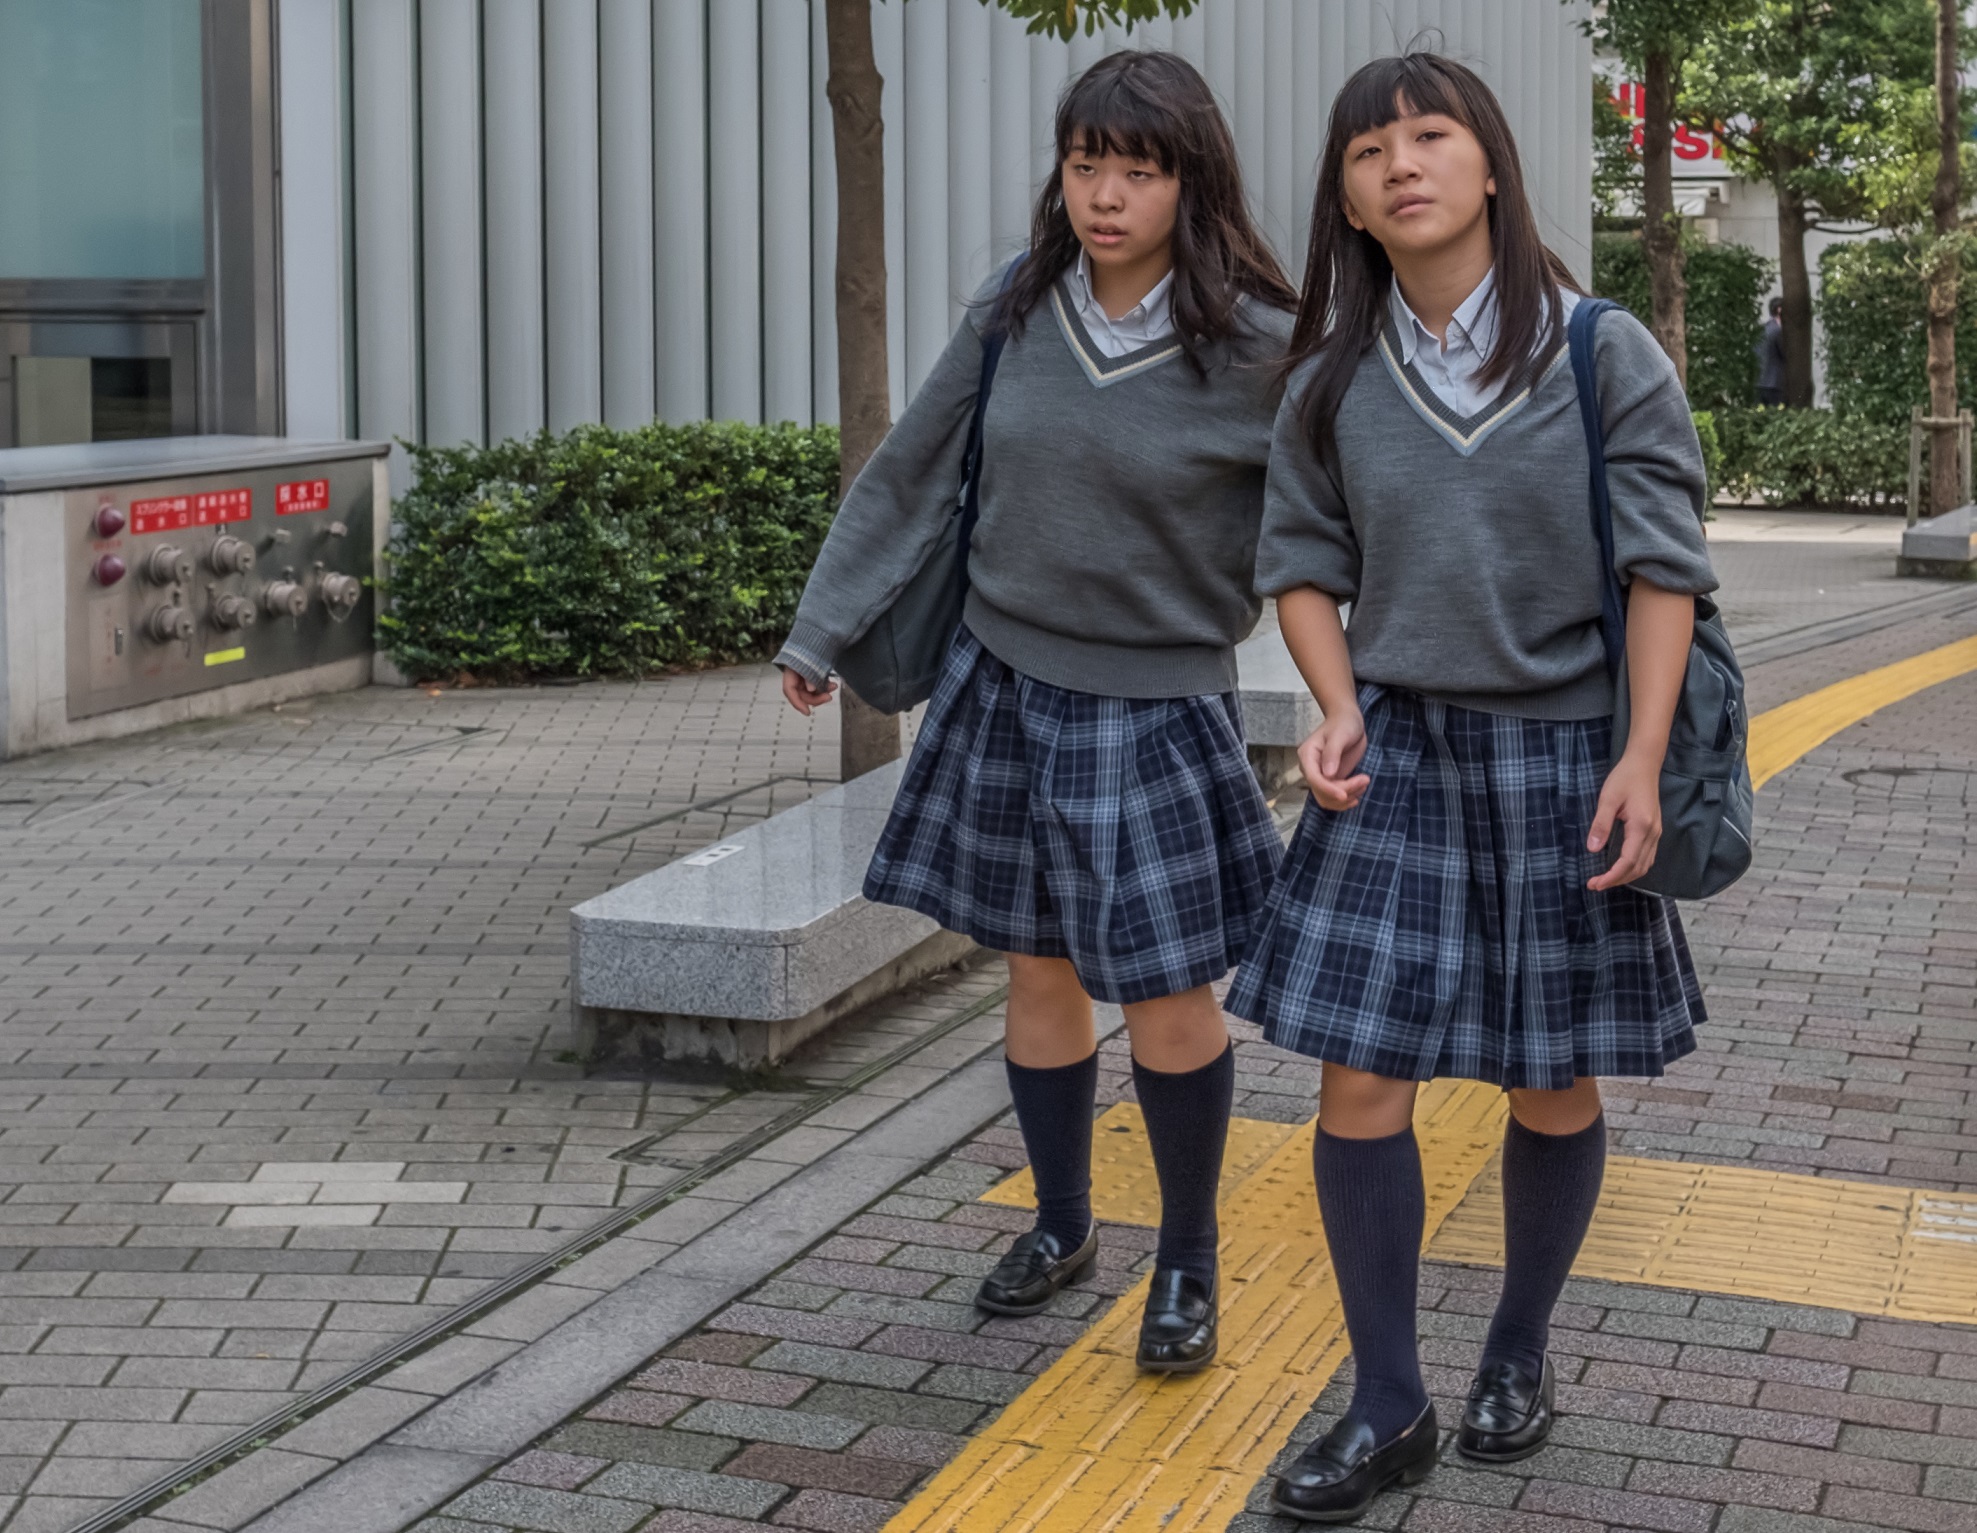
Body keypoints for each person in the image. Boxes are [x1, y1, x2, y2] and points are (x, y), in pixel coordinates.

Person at [1225, 51, 1716, 1522]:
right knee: (1357, 1078)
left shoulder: (1596, 349)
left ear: (1491, 165)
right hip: (1406, 756)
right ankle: (1387, 1401)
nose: (1402, 164)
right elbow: (1300, 562)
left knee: (1547, 1077)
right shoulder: (1328, 374)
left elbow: (1661, 568)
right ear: (1351, 202)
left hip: (1567, 751)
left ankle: (1517, 1345)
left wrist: (1637, 754)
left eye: (1431, 136)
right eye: (1371, 152)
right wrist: (1330, 705)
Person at [774, 50, 1297, 1375]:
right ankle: (1063, 1224)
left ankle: (1185, 1259)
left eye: (1139, 168)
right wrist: (821, 629)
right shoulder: (1017, 310)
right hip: (1002, 686)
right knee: (1037, 972)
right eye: (1086, 164)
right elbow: (909, 472)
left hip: (1158, 704)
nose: (1106, 194)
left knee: (1173, 998)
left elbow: (1341, 517)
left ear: (1193, 180)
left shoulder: (1259, 345)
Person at [1757, 295, 1785, 406]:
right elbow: (1784, 353)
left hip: (1759, 381)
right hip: (1773, 383)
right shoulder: (1777, 331)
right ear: (1780, 310)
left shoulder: (1761, 329)